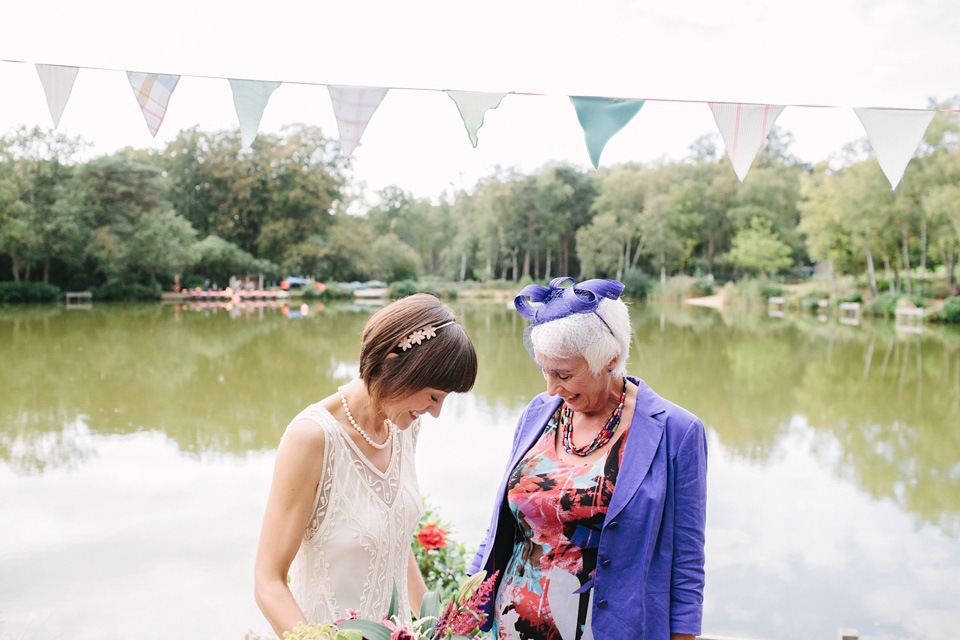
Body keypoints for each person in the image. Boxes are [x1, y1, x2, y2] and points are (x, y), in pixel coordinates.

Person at [470, 277, 707, 640]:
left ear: (610, 360)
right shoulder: (539, 412)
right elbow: (498, 528)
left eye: (563, 374)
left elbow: (686, 564)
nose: (551, 388)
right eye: (545, 371)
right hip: (512, 625)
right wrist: (465, 609)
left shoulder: (677, 431)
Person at [255, 294, 478, 636]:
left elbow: (395, 547)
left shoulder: (403, 427)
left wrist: (434, 629)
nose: (435, 413)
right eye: (433, 396)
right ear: (392, 363)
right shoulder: (312, 438)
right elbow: (268, 582)